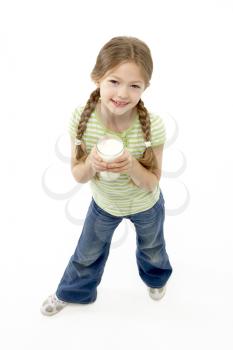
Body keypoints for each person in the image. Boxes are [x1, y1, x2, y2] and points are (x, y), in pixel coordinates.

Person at [41, 36, 173, 316]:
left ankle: (156, 279)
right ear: (97, 77)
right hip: (104, 206)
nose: (123, 93)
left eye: (134, 85)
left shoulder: (154, 127)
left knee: (153, 248)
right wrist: (91, 164)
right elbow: (78, 175)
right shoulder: (82, 120)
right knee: (86, 253)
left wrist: (131, 167)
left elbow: (152, 182)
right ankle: (73, 292)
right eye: (114, 81)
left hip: (146, 206)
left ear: (145, 88)